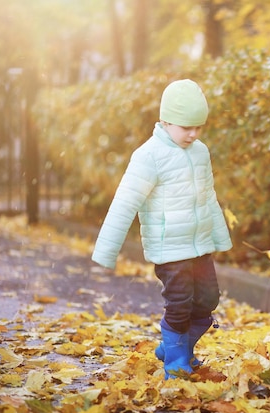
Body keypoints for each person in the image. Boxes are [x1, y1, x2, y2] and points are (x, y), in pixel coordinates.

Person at [92, 79, 233, 379]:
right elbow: (124, 203)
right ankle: (176, 361)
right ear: (166, 120)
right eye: (186, 127)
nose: (193, 133)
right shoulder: (149, 156)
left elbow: (208, 197)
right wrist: (106, 251)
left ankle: (171, 347)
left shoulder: (200, 152)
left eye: (198, 127)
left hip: (199, 245)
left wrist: (220, 238)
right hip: (169, 248)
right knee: (180, 304)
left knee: (208, 301)